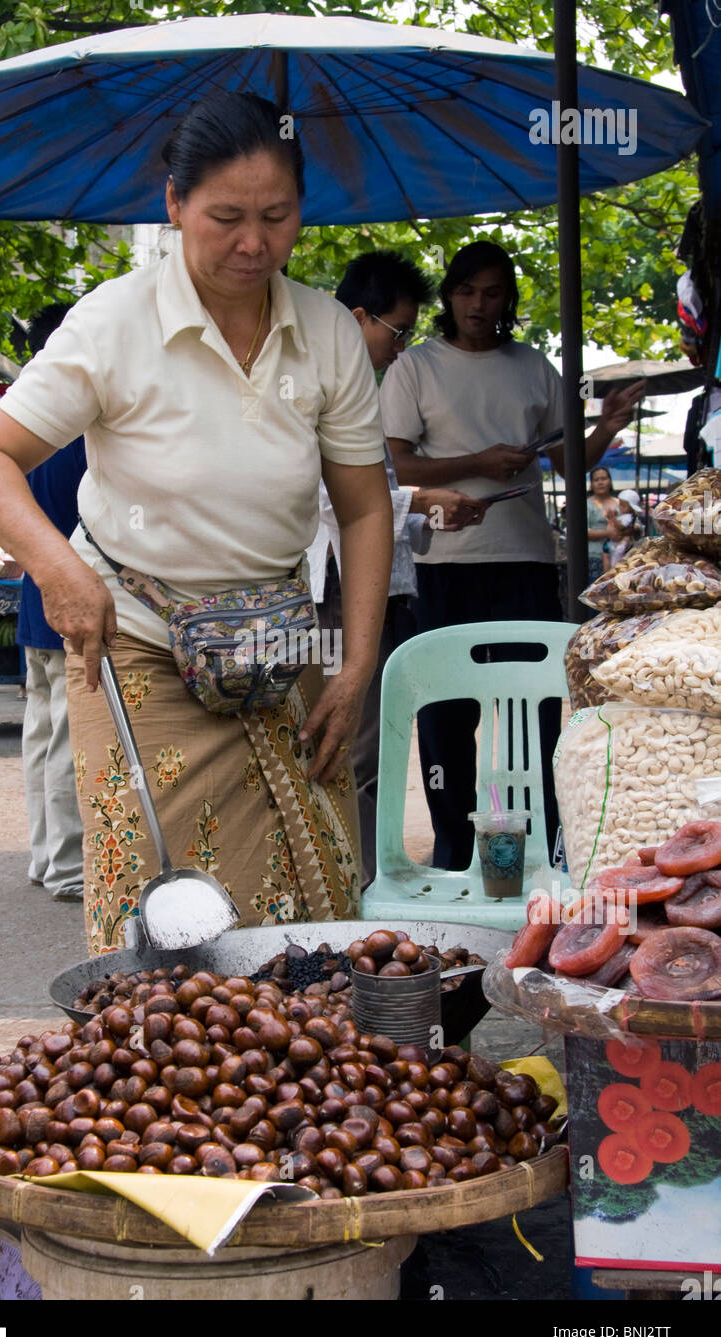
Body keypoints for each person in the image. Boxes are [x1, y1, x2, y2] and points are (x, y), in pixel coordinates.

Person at [0, 91, 394, 954]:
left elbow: (366, 504)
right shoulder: (113, 322)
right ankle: (167, 1079)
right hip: (141, 642)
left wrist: (355, 664)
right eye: (226, 216)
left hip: (279, 640)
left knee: (315, 890)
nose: (253, 243)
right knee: (165, 904)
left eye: (278, 216)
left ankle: (300, 1078)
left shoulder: (329, 334)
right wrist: (59, 569)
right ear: (174, 205)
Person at [381, 240, 643, 870]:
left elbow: (565, 456)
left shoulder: (534, 368)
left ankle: (551, 844)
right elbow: (396, 463)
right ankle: (452, 850)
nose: (479, 304)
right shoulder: (415, 367)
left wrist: (603, 427)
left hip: (526, 556)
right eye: (467, 291)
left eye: (493, 292)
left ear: (508, 300)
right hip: (445, 562)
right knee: (448, 709)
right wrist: (480, 461)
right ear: (448, 297)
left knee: (540, 702)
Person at [309, 250, 487, 885]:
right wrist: (420, 499)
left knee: (378, 745)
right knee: (349, 743)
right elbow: (323, 499)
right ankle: (351, 883)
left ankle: (370, 871)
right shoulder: (316, 386)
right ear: (359, 318)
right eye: (398, 331)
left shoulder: (363, 391)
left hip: (382, 592)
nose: (401, 347)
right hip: (335, 592)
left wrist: (428, 521)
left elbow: (374, 515)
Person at [18, 305, 88, 903]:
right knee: (66, 740)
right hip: (69, 602)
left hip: (32, 600)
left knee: (42, 737)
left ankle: (45, 857)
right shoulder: (71, 421)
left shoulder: (17, 415)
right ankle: (69, 867)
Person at [586, 465, 621, 581]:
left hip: (619, 555)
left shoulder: (620, 503)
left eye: (604, 479)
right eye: (596, 480)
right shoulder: (587, 504)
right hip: (595, 556)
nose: (600, 482)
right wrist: (607, 533)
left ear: (610, 481)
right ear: (591, 484)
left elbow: (633, 524)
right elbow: (581, 532)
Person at [607, 487, 643, 568]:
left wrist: (613, 518)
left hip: (627, 547)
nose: (620, 507)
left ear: (631, 508)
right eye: (620, 504)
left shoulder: (630, 517)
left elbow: (621, 527)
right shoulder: (622, 515)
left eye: (623, 506)